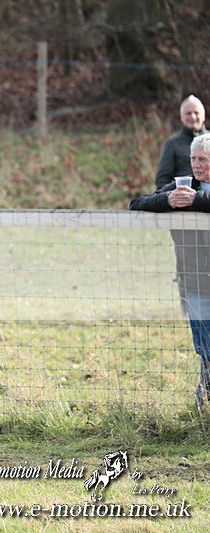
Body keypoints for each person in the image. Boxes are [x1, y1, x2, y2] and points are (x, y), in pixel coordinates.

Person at [131, 133, 210, 412]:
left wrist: (197, 201)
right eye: (193, 159)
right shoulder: (182, 187)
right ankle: (205, 397)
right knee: (205, 346)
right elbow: (137, 203)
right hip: (194, 281)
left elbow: (201, 202)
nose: (196, 164)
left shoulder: (196, 195)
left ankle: (203, 395)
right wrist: (168, 199)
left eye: (203, 159)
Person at [155, 95, 208, 190]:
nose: (193, 117)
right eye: (188, 113)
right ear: (181, 117)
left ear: (203, 116)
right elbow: (162, 180)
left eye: (196, 113)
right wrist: (171, 196)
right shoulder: (172, 144)